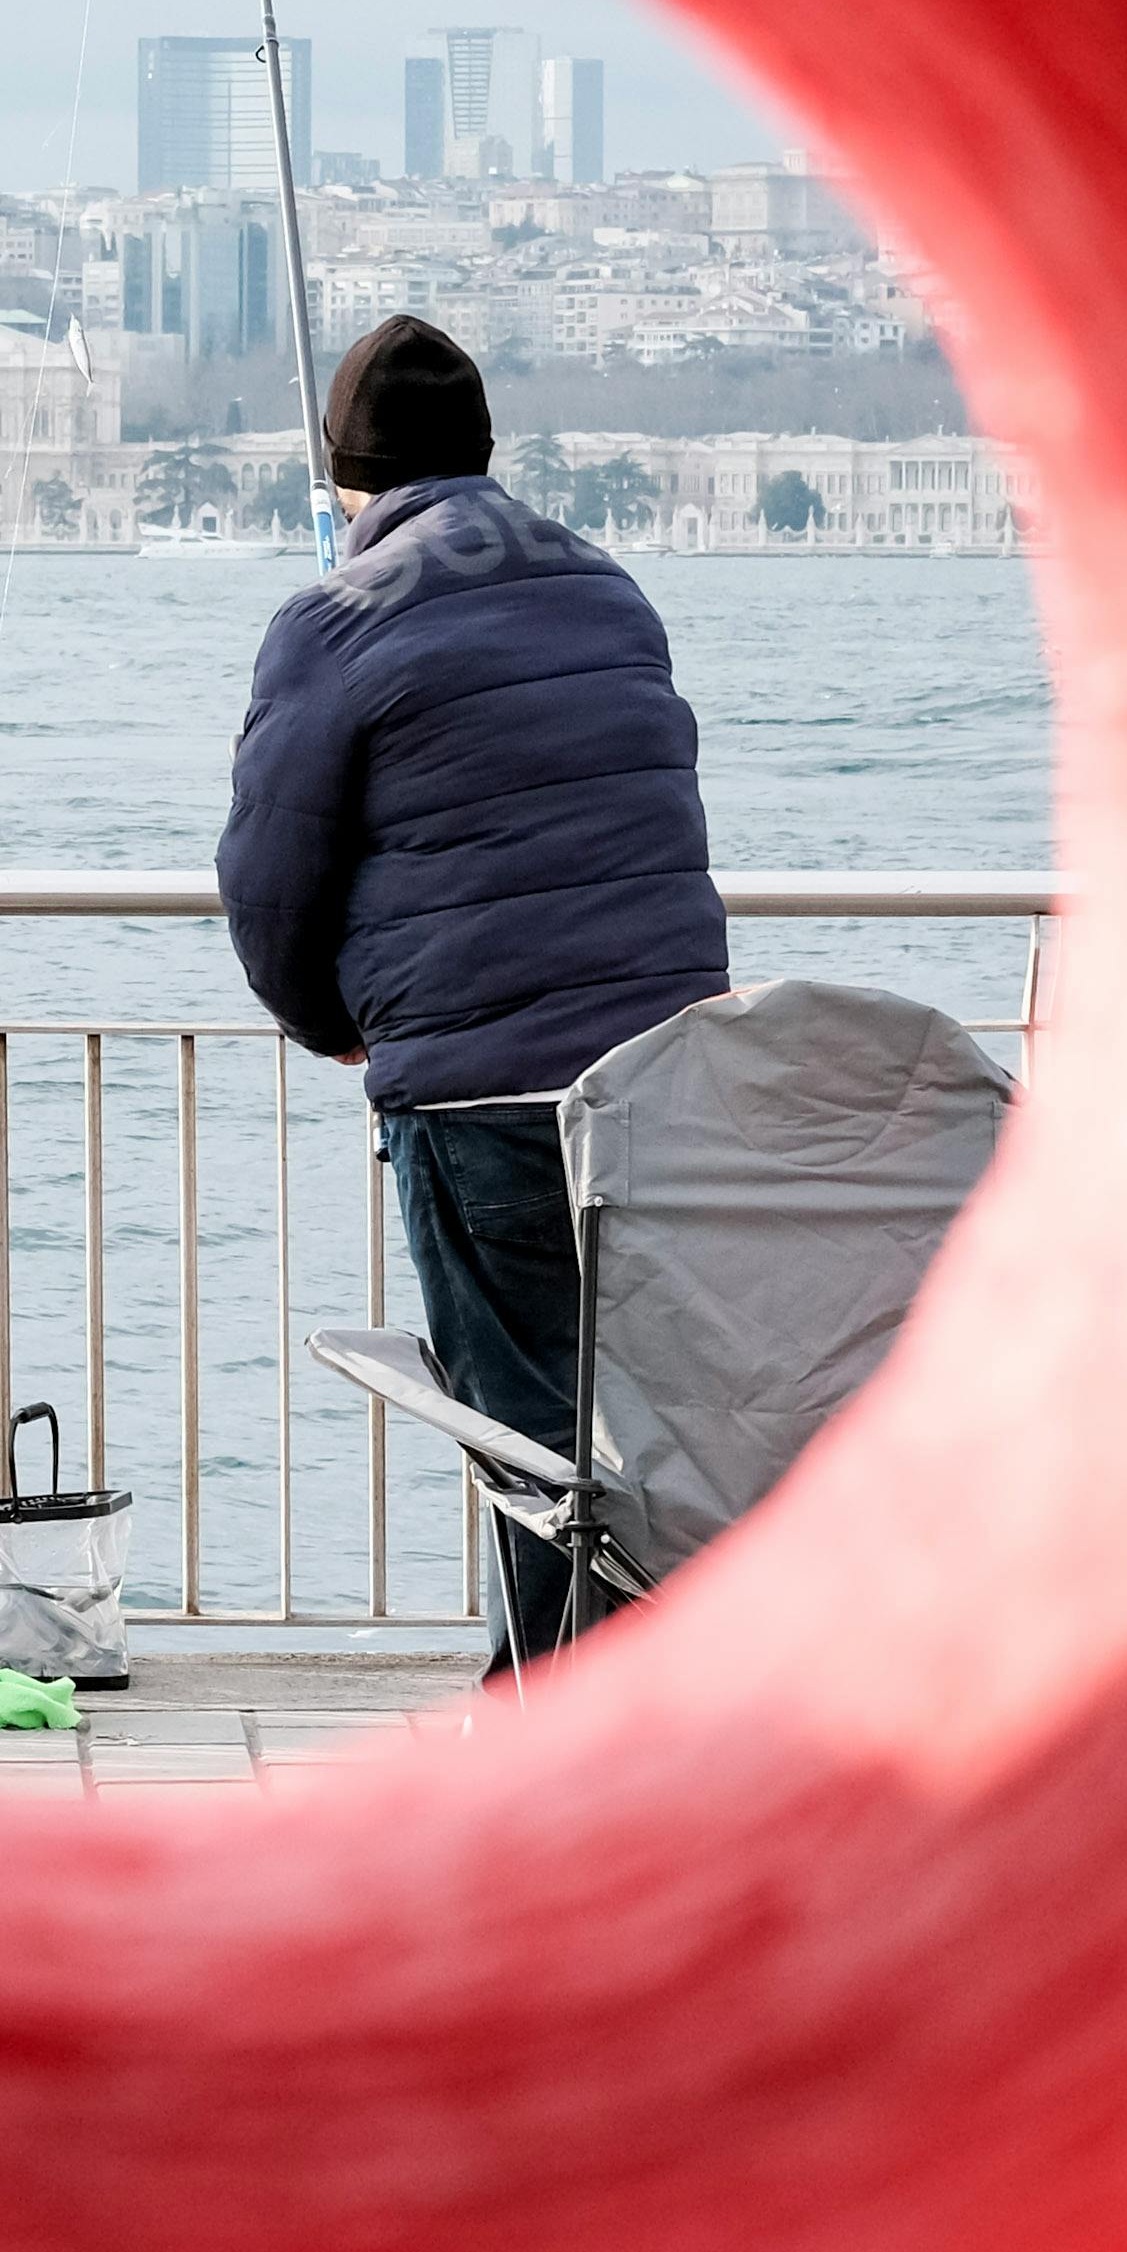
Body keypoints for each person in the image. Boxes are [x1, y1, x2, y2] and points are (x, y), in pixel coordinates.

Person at [217, 316, 729, 1665]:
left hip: (483, 1094)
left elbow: (268, 887)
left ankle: (570, 1753)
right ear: (481, 451)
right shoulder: (608, 586)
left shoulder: (334, 616)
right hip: (666, 1080)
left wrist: (332, 1025)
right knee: (644, 1431)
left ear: (344, 479)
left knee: (532, 1449)